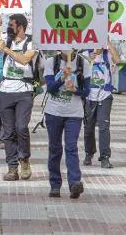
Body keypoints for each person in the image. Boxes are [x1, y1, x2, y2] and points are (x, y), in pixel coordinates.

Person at [0, 14, 37, 181]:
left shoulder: (31, 42)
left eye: (11, 25)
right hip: (6, 91)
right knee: (8, 132)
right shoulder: (5, 40)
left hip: (24, 90)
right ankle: (12, 167)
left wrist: (6, 49)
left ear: (21, 26)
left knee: (21, 127)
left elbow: (24, 60)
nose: (9, 28)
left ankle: (24, 159)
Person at [44, 50, 91, 199]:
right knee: (55, 148)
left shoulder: (83, 63)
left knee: (71, 147)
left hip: (74, 114)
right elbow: (50, 88)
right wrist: (62, 78)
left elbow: (87, 91)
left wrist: (75, 90)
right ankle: (55, 185)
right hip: (54, 112)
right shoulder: (52, 62)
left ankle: (75, 183)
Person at [84, 42, 120, 169]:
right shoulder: (86, 54)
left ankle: (105, 157)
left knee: (104, 127)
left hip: (105, 95)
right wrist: (89, 59)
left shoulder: (108, 54)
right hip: (90, 97)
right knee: (88, 127)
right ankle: (89, 153)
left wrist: (108, 44)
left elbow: (117, 60)